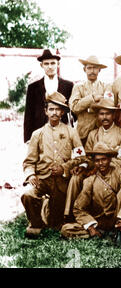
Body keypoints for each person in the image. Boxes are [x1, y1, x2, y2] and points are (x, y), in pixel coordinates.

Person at [22, 92, 85, 237]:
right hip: (43, 179)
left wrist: (64, 168)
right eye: (51, 109)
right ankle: (36, 223)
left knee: (56, 222)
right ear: (46, 111)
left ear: (62, 112)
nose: (54, 113)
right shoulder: (37, 134)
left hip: (63, 181)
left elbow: (81, 157)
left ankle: (50, 213)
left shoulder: (71, 132)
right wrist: (31, 174)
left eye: (58, 110)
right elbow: (29, 162)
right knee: (28, 196)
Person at [60, 142, 121, 239]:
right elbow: (78, 208)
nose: (100, 163)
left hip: (116, 218)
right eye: (97, 160)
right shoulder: (90, 180)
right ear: (93, 162)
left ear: (110, 159)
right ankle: (101, 234)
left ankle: (120, 227)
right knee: (66, 229)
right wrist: (91, 227)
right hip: (98, 222)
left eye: (104, 159)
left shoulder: (118, 173)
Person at [64, 98, 121, 220]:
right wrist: (83, 166)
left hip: (112, 171)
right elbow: (87, 157)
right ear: (97, 116)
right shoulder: (93, 134)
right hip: (94, 169)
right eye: (101, 114)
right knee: (76, 177)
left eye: (108, 113)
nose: (105, 117)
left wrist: (103, 166)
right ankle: (69, 214)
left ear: (113, 115)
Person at [24, 49, 74, 143]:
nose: (50, 67)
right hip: (40, 132)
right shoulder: (33, 87)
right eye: (46, 64)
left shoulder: (68, 85)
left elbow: (72, 113)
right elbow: (28, 114)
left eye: (53, 63)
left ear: (58, 64)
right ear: (41, 65)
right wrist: (28, 138)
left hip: (62, 134)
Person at [69, 55, 110, 144]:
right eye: (89, 68)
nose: (92, 71)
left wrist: (88, 108)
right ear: (85, 69)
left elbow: (108, 105)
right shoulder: (78, 87)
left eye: (95, 68)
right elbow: (74, 107)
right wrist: (92, 98)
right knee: (83, 156)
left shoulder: (106, 86)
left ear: (99, 70)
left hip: (102, 131)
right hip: (83, 132)